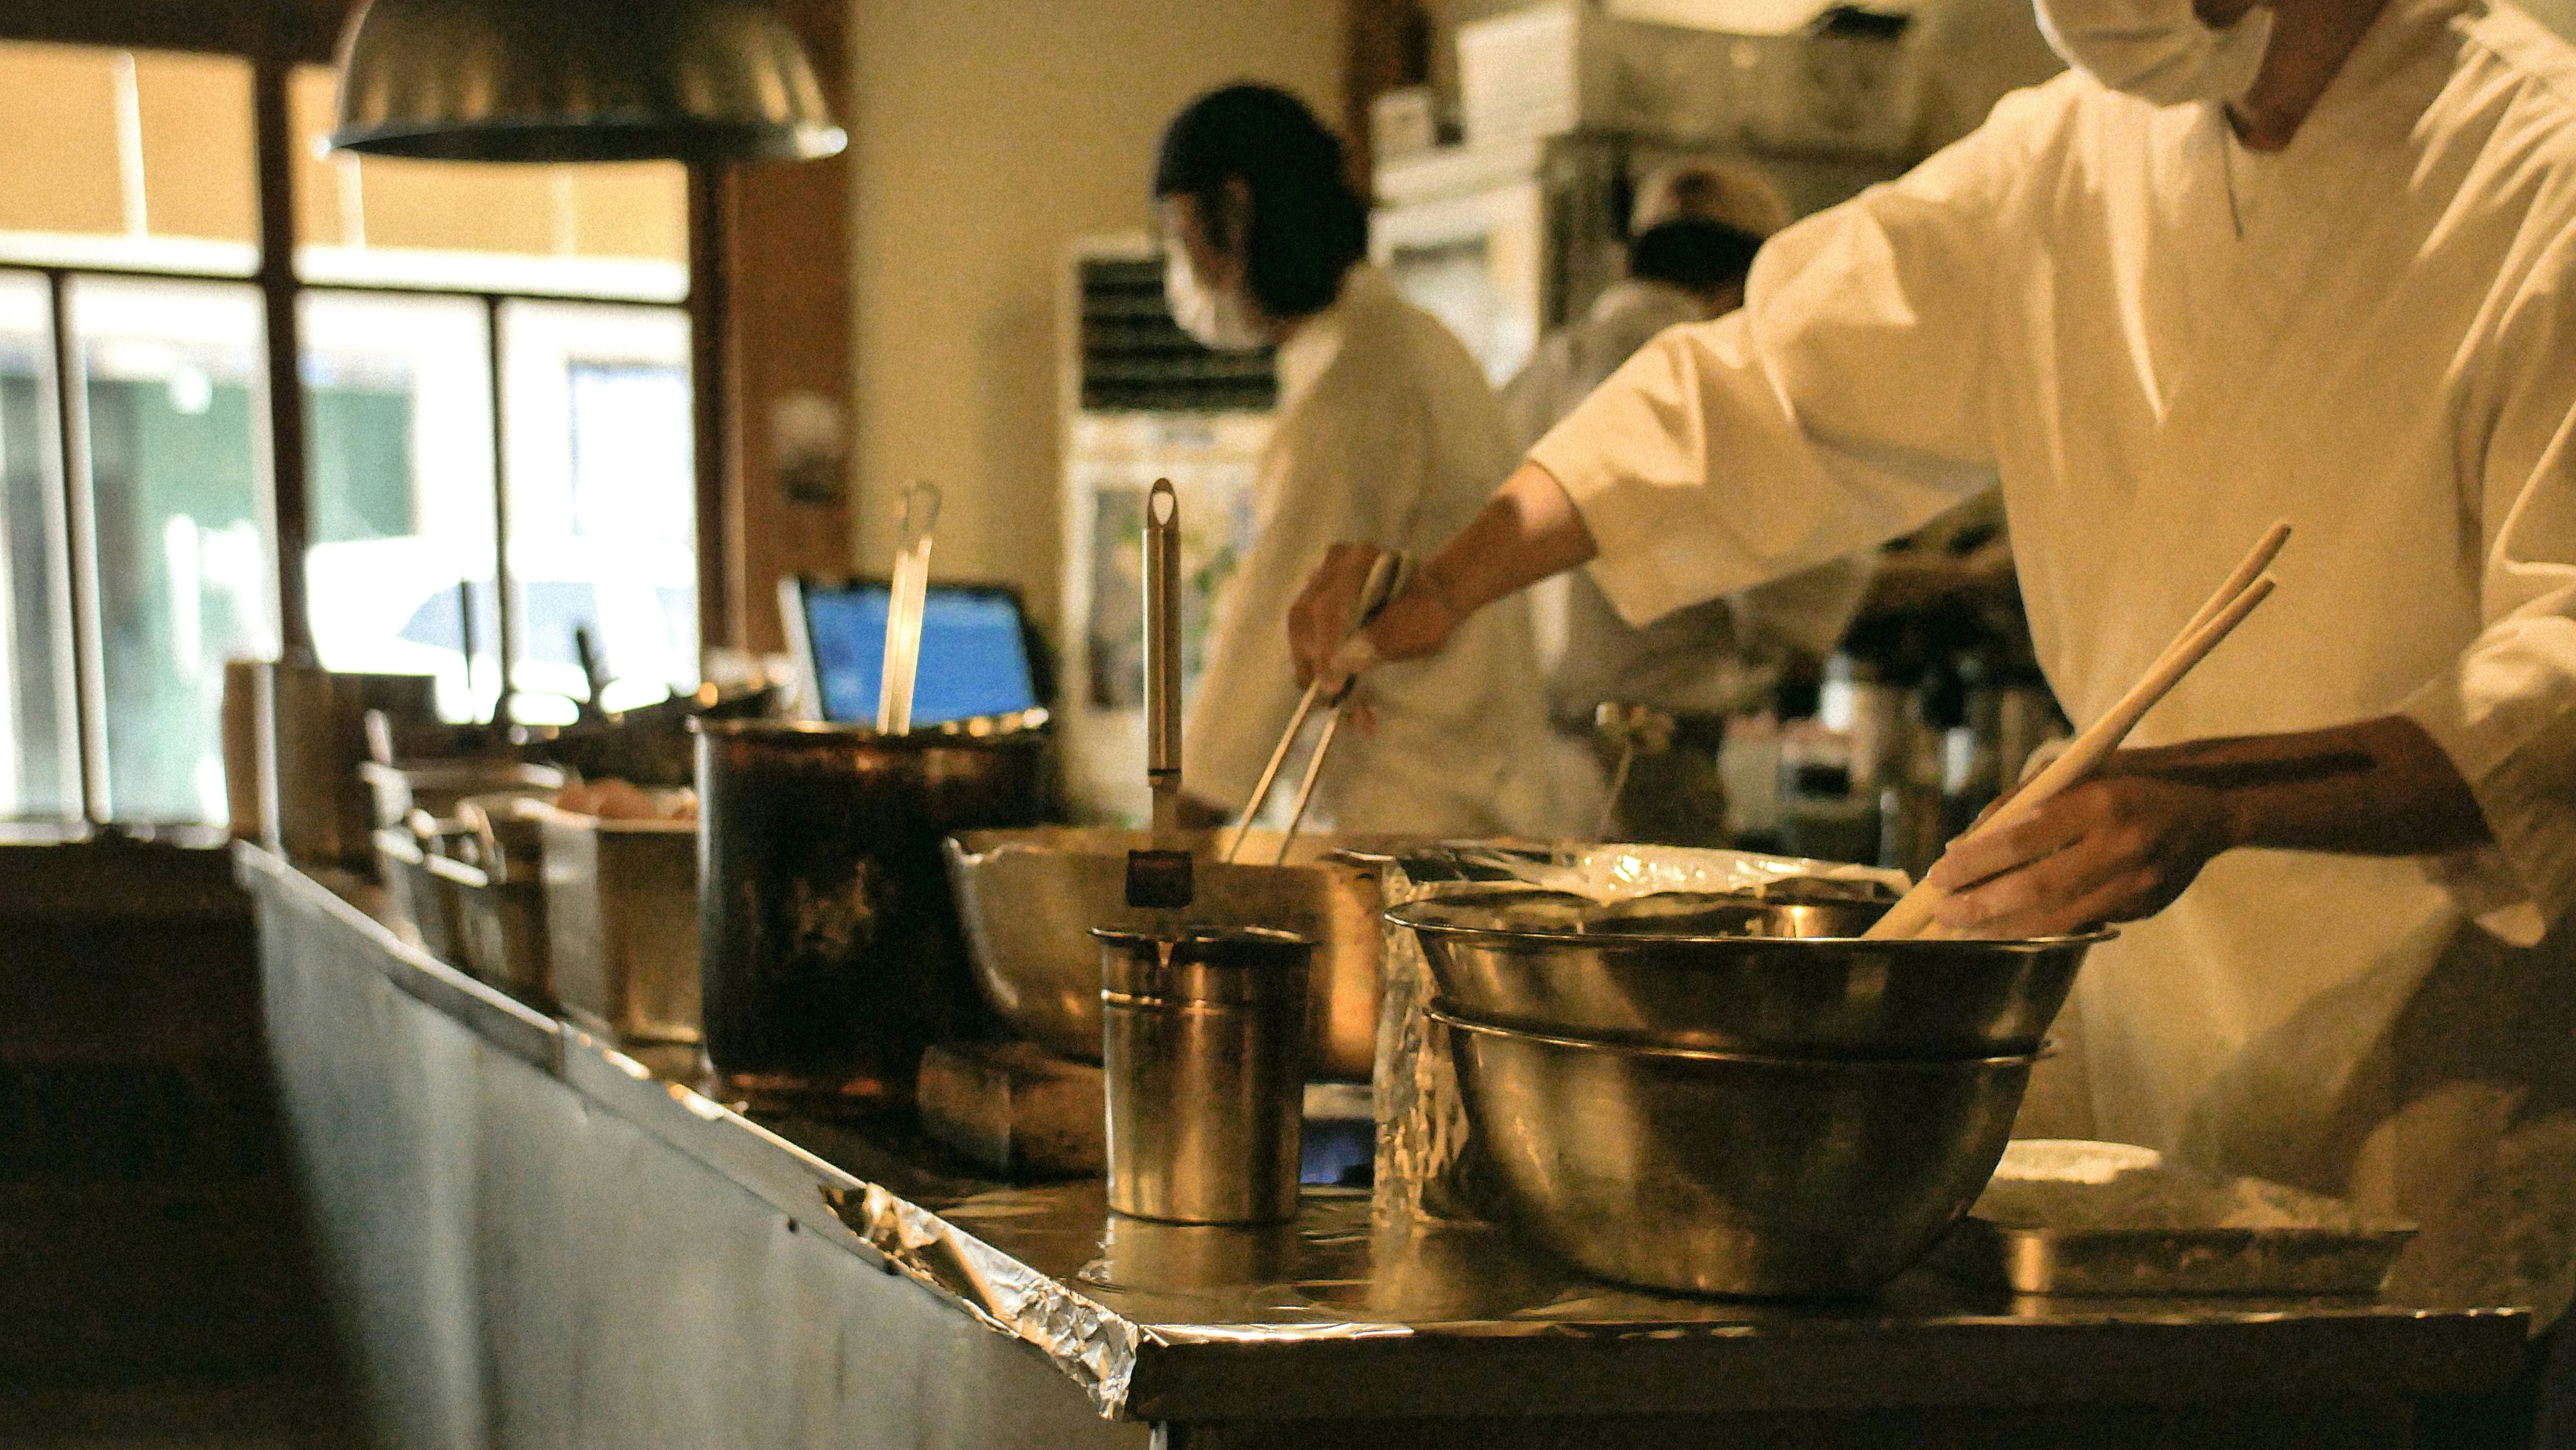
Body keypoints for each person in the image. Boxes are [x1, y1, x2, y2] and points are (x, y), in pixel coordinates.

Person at [1292, 0, 2576, 1394]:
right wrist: (1453, 578)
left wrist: (2215, 797)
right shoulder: (2073, 153)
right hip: (2146, 1036)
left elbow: (2551, 689)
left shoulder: (2536, 167)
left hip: (2431, 1055)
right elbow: (1762, 380)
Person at [1152, 84, 1580, 838]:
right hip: (1463, 794)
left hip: (1422, 814)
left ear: (1235, 213)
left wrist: (1172, 835)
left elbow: (1267, 639)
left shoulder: (1357, 384)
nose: (1179, 261)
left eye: (1180, 231)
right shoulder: (1407, 341)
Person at [1500, 161, 1874, 842]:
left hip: (1529, 763)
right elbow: (1799, 585)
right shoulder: (1713, 374)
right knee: (1663, 945)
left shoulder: (1543, 368)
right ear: (1744, 288)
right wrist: (1966, 580)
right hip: (1652, 756)